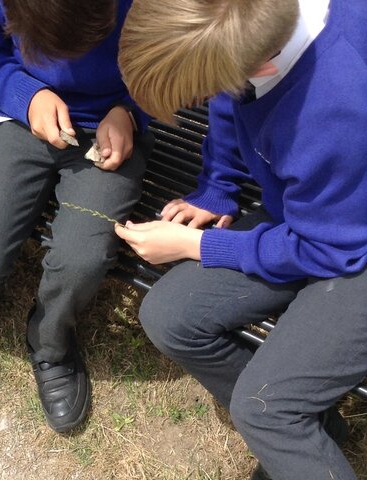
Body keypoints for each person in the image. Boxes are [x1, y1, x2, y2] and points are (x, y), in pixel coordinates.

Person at [115, 0, 367, 478]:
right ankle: (315, 430)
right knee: (169, 317)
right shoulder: (249, 32)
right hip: (316, 214)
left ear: (262, 64)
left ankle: (287, 425)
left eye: (199, 95)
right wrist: (218, 187)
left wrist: (199, 247)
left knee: (263, 409)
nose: (206, 102)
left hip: (348, 248)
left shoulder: (338, 103)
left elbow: (329, 250)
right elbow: (233, 101)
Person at [0, 0, 153, 433]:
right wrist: (26, 95)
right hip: (21, 119)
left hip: (110, 126)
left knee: (81, 258)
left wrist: (129, 112)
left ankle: (50, 342)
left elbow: (167, 62)